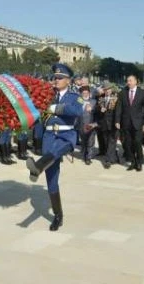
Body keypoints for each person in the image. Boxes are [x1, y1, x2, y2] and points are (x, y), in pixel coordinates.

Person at [26, 63, 83, 231]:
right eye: (55, 78)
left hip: (66, 136)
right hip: (49, 136)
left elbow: (77, 111)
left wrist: (56, 108)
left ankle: (38, 166)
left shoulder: (75, 96)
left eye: (60, 78)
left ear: (68, 80)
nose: (56, 80)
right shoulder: (47, 95)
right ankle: (58, 215)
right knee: (52, 179)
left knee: (57, 150)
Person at [115, 75, 144, 171]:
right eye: (127, 81)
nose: (128, 82)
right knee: (128, 144)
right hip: (126, 123)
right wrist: (117, 121)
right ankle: (133, 162)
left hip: (138, 123)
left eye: (130, 80)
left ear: (135, 81)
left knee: (137, 142)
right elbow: (119, 108)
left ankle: (139, 162)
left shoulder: (142, 93)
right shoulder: (122, 93)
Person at [78, 86, 97, 165]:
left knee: (90, 141)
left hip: (91, 123)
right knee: (84, 141)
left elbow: (97, 113)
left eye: (87, 93)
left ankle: (88, 157)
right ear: (81, 94)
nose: (85, 94)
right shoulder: (79, 101)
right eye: (83, 93)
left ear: (89, 93)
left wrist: (92, 109)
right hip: (81, 123)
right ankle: (84, 154)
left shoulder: (94, 101)